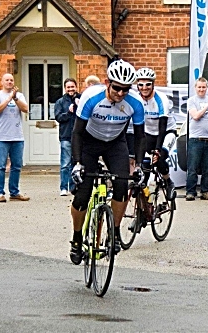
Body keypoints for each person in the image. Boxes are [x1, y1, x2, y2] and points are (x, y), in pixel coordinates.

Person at [68, 59, 145, 264]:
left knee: (122, 185)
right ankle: (77, 239)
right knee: (83, 194)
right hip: (89, 142)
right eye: (117, 88)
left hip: (115, 143)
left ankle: (115, 231)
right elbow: (76, 132)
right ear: (106, 82)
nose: (121, 94)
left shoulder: (135, 103)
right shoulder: (90, 97)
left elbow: (139, 136)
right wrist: (77, 163)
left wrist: (138, 165)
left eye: (125, 90)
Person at [134, 67, 177, 199]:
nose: (144, 88)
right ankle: (143, 197)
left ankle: (168, 182)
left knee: (159, 158)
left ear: (153, 84)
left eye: (148, 84)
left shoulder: (161, 99)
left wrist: (158, 150)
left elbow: (162, 126)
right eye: (140, 84)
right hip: (148, 132)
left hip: (166, 131)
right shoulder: (137, 99)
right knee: (145, 162)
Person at [0, 73, 30, 203]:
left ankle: (14, 192)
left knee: (16, 165)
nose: (9, 82)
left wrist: (16, 98)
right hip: (1, 136)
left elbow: (25, 109)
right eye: (7, 80)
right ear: (2, 82)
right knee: (1, 166)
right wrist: (8, 99)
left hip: (17, 136)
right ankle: (0, 193)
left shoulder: (19, 95)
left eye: (11, 80)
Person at [185, 77, 208, 201]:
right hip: (196, 139)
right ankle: (190, 191)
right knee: (193, 168)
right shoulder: (192, 101)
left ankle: (206, 191)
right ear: (195, 88)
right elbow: (196, 116)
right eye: (199, 87)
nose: (201, 89)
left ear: (207, 88)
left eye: (204, 87)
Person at [54, 78, 81, 196]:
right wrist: (69, 113)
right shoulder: (60, 102)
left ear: (76, 87)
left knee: (77, 163)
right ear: (65, 88)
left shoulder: (82, 99)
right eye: (68, 87)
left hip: (79, 137)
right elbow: (58, 118)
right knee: (65, 164)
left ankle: (74, 187)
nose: (70, 89)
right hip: (66, 136)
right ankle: (63, 187)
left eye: (72, 86)